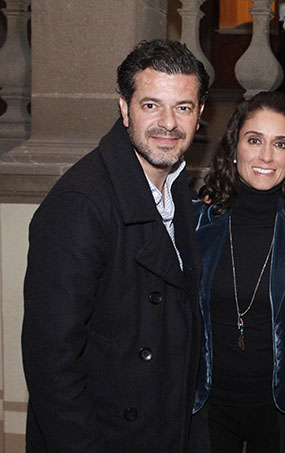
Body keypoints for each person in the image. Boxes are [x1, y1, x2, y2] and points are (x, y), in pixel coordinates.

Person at [22, 40, 209, 451]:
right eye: (150, 105)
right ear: (124, 109)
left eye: (182, 107)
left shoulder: (176, 189)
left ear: (199, 115)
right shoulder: (80, 205)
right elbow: (51, 362)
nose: (168, 123)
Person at [193, 91, 285, 452]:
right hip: (206, 408)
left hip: (284, 411)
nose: (267, 156)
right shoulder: (195, 223)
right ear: (234, 147)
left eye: (280, 144)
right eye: (254, 141)